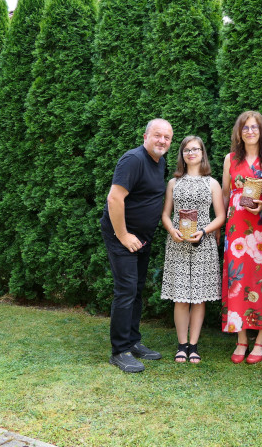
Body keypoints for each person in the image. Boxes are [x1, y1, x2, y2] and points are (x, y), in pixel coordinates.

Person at [101, 119, 173, 373]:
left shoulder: (159, 162)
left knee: (137, 289)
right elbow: (114, 198)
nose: (162, 141)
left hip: (142, 237)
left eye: (167, 137)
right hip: (122, 235)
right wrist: (123, 235)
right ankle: (120, 351)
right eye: (157, 135)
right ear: (145, 136)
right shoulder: (133, 160)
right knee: (126, 290)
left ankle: (132, 341)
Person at [161, 136, 225, 363]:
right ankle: (182, 345)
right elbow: (165, 214)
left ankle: (194, 346)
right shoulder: (173, 183)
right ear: (182, 155)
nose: (191, 153)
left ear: (202, 153)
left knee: (199, 298)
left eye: (195, 149)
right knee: (180, 297)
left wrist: (205, 231)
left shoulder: (212, 183)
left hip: (203, 243)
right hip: (177, 243)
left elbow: (220, 216)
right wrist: (171, 230)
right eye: (187, 150)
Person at [221, 111, 262, 364]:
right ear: (239, 132)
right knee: (238, 278)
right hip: (236, 229)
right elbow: (226, 194)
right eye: (245, 127)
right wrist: (222, 227)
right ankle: (241, 338)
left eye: (255, 127)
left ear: (261, 131)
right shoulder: (230, 159)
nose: (250, 131)